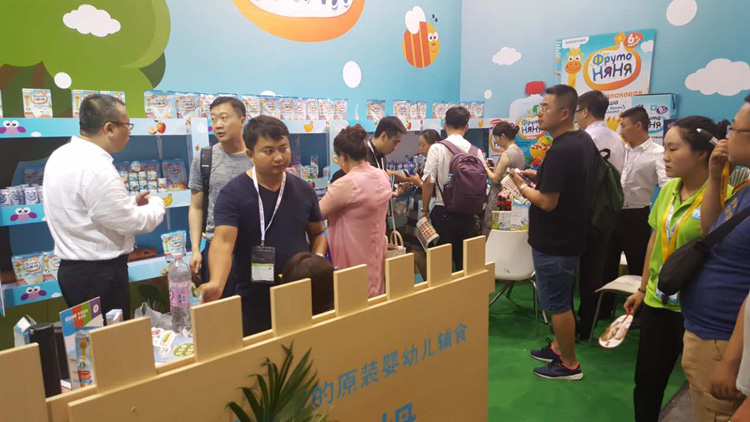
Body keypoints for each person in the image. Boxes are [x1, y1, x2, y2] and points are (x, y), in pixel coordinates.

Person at [622, 116, 720, 422]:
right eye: (664, 148)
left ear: (701, 153)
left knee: (703, 387)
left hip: (698, 307)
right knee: (647, 382)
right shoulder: (668, 190)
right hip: (658, 300)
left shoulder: (723, 194)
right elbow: (655, 238)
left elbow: (718, 246)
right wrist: (642, 288)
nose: (664, 156)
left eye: (673, 149)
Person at [200, 116, 327, 336]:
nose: (279, 157)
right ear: (250, 154)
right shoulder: (233, 194)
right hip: (254, 297)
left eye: (283, 148)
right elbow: (223, 242)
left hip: (300, 291)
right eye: (269, 151)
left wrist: (316, 260)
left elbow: (318, 233)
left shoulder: (304, 190)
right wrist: (216, 283)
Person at [43, 94, 166, 318]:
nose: (129, 132)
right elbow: (132, 222)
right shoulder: (97, 167)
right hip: (100, 275)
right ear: (109, 128)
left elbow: (86, 209)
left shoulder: (60, 155)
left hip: (74, 272)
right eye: (127, 125)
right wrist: (157, 203)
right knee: (112, 337)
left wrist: (129, 203)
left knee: (90, 336)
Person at [509, 84, 597, 380]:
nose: (539, 113)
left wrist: (521, 186)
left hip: (555, 241)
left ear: (564, 113)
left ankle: (569, 364)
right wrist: (537, 176)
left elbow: (547, 202)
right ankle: (559, 347)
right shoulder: (581, 141)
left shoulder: (562, 149)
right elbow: (567, 183)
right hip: (571, 235)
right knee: (561, 299)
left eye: (546, 107)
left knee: (557, 305)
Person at [680, 97, 750, 422]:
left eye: (734, 129)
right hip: (708, 332)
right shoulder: (743, 187)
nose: (726, 136)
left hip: (725, 339)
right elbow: (710, 230)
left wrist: (732, 362)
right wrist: (715, 175)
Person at [188, 96, 252, 297]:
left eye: (224, 118)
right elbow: (196, 206)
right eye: (213, 119)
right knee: (221, 305)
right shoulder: (204, 158)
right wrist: (196, 249)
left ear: (242, 120)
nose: (218, 125)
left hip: (253, 248)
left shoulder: (256, 157)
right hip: (216, 247)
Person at [602, 106, 669, 296]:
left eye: (624, 125)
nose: (621, 130)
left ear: (638, 125)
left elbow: (667, 185)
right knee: (606, 264)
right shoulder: (619, 150)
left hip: (636, 217)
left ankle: (638, 307)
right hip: (612, 213)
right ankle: (604, 306)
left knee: (638, 265)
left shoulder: (658, 152)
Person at [319, 125, 392, 297]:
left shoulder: (347, 184)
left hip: (352, 259)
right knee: (375, 297)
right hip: (375, 254)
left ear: (343, 156)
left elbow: (317, 213)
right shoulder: (382, 175)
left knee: (352, 300)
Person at [422, 106, 486, 271]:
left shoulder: (437, 148)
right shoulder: (477, 152)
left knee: (440, 265)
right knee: (464, 264)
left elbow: (428, 181)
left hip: (443, 211)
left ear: (445, 125)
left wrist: (425, 210)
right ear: (467, 127)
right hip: (468, 214)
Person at [403, 129, 441, 279]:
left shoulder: (437, 163)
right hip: (417, 210)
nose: (420, 149)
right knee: (416, 249)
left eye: (423, 145)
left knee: (422, 250)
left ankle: (430, 282)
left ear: (434, 144)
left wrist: (418, 182)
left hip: (427, 211)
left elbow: (431, 187)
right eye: (419, 145)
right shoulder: (425, 162)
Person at [330, 116, 407, 184]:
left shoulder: (381, 155)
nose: (395, 147)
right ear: (383, 136)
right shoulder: (362, 156)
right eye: (395, 142)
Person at [483, 121, 525, 235]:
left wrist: (485, 167)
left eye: (496, 138)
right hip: (514, 200)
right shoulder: (520, 152)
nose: (496, 141)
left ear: (503, 136)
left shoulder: (507, 154)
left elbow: (496, 179)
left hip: (500, 200)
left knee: (492, 233)